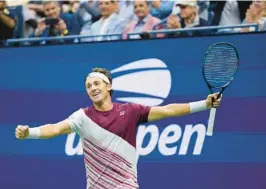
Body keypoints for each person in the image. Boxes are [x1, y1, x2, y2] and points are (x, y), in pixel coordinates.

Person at [15, 67, 222, 189]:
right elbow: (55, 129)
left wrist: (204, 104)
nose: (93, 88)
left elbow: (167, 110)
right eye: (89, 86)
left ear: (109, 87)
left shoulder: (131, 111)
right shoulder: (82, 117)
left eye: (97, 84)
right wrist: (30, 133)